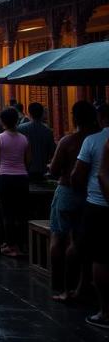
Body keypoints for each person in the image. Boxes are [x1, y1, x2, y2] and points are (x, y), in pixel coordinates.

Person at [48, 101, 98, 302]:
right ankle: (83, 284)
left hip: (68, 190)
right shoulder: (99, 141)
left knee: (59, 238)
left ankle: (61, 285)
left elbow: (53, 170)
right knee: (83, 240)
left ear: (74, 117)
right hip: (92, 194)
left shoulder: (69, 141)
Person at [71, 103, 109, 329]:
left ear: (102, 117)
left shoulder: (93, 140)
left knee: (100, 257)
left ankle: (105, 309)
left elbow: (78, 174)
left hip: (98, 203)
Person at [0, 106, 30, 258]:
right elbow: (28, 161)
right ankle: (21, 245)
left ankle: (10, 245)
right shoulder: (24, 139)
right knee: (20, 213)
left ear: (2, 121)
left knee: (7, 212)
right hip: (22, 177)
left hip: (5, 177)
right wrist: (21, 170)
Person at [19, 102, 55, 182]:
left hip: (24, 169)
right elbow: (52, 152)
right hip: (41, 170)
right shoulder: (48, 131)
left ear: (29, 113)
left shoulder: (21, 129)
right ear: (42, 113)